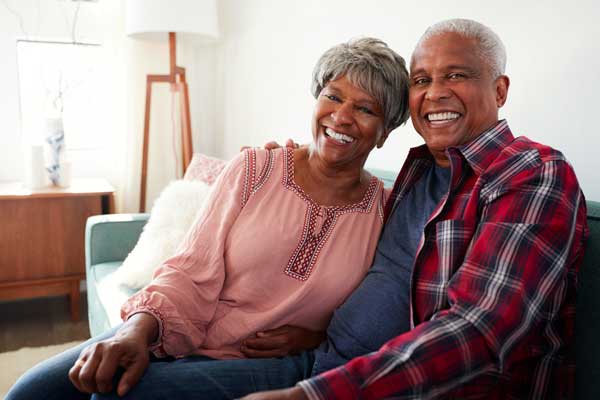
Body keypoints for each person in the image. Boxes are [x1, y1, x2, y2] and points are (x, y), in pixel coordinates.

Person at [5, 37, 411, 400]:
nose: (341, 117)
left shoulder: (387, 211)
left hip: (261, 361)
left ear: (385, 131)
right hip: (179, 323)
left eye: (365, 109)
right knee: (31, 391)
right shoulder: (255, 168)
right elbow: (190, 269)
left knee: (115, 394)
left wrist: (318, 336)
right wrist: (136, 330)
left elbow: (375, 316)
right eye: (333, 96)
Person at [240, 18, 588, 399]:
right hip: (323, 362)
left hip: (380, 389)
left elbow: (480, 331)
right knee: (163, 383)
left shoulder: (531, 173)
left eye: (455, 75)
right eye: (421, 80)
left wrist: (311, 395)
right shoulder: (418, 172)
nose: (435, 93)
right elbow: (390, 284)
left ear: (500, 90)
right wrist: (287, 169)